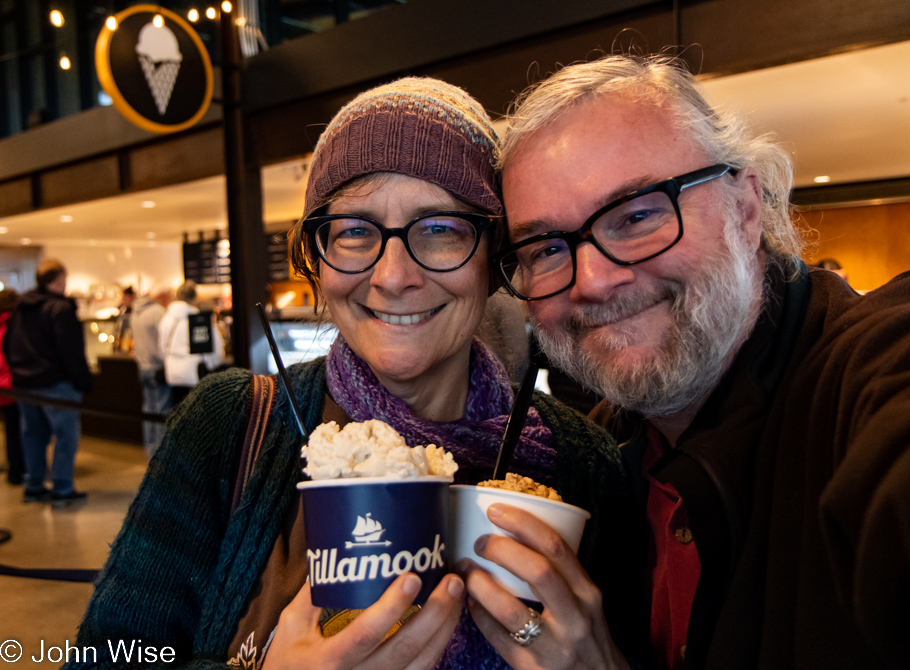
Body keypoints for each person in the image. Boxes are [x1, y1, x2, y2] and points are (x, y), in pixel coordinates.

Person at [65, 77, 621, 670]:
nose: (392, 275)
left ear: (493, 257)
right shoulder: (229, 426)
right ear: (317, 256)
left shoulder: (583, 462)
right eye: (355, 231)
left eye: (439, 229)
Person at [460, 54, 910, 670]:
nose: (592, 281)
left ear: (746, 207)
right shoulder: (611, 453)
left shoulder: (886, 368)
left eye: (637, 216)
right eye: (547, 248)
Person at [3, 259, 92, 506]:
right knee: (65, 436)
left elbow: (9, 345)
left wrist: (19, 372)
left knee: (32, 435)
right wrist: (82, 381)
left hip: (25, 384)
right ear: (60, 279)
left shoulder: (21, 307)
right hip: (55, 383)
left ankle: (34, 485)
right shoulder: (60, 308)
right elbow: (71, 350)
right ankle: (62, 488)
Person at [158, 280, 225, 406]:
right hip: (195, 375)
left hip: (173, 375)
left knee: (177, 414)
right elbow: (216, 347)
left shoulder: (166, 319)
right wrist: (211, 364)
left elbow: (162, 348)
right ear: (194, 298)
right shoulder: (200, 319)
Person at [131, 284, 173, 457]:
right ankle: (160, 454)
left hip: (142, 367)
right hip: (157, 368)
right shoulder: (158, 313)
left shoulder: (136, 311)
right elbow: (165, 343)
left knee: (148, 410)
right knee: (161, 411)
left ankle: (150, 451)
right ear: (162, 297)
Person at [0, 289, 24, 485]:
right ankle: (18, 470)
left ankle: (14, 469)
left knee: (10, 430)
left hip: (3, 386)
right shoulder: (14, 325)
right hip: (12, 385)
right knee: (17, 430)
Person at [113, 285, 136, 353]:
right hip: (121, 339)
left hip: (130, 340)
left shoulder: (135, 311)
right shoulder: (121, 309)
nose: (123, 300)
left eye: (125, 298)